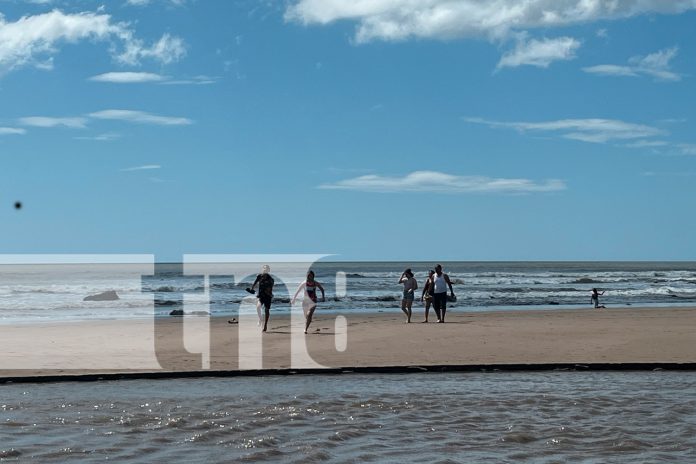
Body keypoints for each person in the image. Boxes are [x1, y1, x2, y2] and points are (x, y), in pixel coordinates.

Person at [292, 270, 326, 334]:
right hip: (305, 301)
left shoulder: (315, 283)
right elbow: (298, 291)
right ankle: (309, 320)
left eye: (311, 276)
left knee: (309, 314)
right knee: (306, 316)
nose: (309, 277)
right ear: (307, 276)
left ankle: (305, 329)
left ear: (313, 276)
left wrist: (323, 297)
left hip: (313, 301)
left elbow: (322, 289)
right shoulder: (304, 283)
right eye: (308, 276)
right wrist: (293, 299)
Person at [248, 264, 274, 332]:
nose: (265, 269)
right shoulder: (259, 276)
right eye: (264, 268)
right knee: (258, 307)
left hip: (268, 296)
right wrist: (252, 289)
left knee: (266, 310)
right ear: (262, 269)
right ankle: (260, 319)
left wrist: (268, 292)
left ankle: (265, 325)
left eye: (266, 268)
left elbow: (270, 289)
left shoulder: (271, 279)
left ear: (268, 270)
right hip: (261, 295)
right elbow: (255, 282)